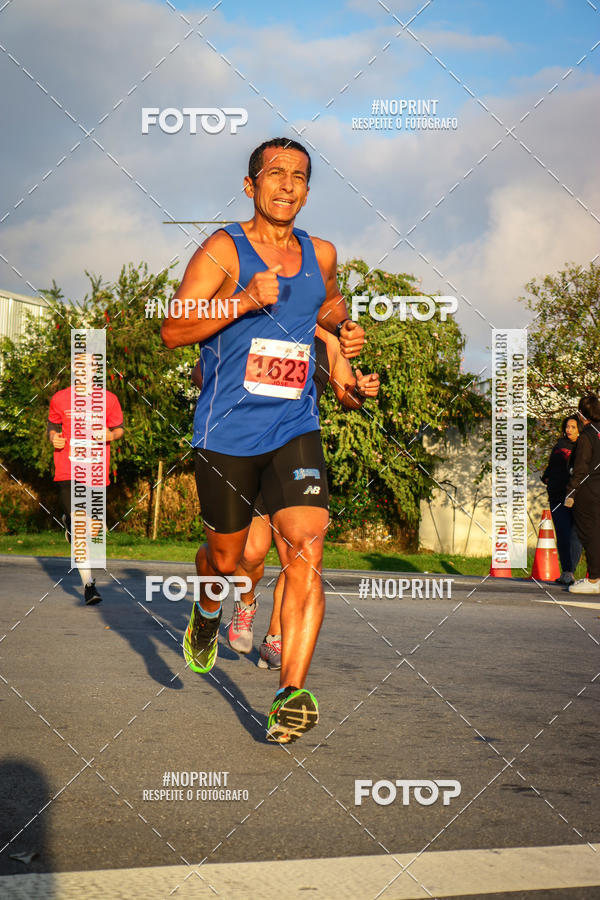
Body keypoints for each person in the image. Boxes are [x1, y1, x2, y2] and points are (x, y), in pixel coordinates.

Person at [161, 137, 365, 743]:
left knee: (305, 549)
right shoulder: (223, 249)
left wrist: (345, 335)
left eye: (300, 176)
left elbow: (325, 307)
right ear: (250, 186)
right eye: (275, 174)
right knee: (228, 561)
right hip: (226, 430)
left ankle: (290, 694)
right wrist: (245, 297)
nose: (288, 185)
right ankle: (205, 606)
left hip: (295, 425)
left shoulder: (320, 252)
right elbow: (174, 328)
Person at [224, 325, 380, 669]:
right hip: (252, 449)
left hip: (299, 452)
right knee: (250, 553)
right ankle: (246, 602)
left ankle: (276, 637)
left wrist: (362, 391)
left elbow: (346, 396)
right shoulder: (263, 320)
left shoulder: (331, 343)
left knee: (298, 554)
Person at [48, 354, 124, 604]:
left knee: (93, 529)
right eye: (79, 365)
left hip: (96, 471)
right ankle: (89, 586)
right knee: (82, 528)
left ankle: (70, 523)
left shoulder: (109, 400)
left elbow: (119, 429)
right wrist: (53, 438)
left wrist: (109, 436)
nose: (84, 370)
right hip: (68, 469)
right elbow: (52, 426)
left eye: (90, 365)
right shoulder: (60, 398)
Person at [565, 394, 600, 594]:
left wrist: (570, 493)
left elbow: (581, 468)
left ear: (581, 414)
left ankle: (594, 579)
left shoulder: (587, 435)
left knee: (590, 534)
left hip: (589, 491)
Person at [541, 416, 582, 585]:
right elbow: (551, 467)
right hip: (557, 496)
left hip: (577, 496)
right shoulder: (559, 446)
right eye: (567, 426)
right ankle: (566, 571)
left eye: (573, 427)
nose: (569, 430)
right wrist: (548, 480)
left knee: (576, 534)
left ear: (580, 429)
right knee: (563, 533)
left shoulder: (584, 447)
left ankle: (571, 570)